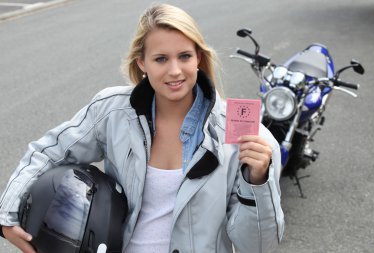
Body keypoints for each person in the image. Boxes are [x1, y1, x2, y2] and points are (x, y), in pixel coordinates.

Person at [0, 3, 284, 253]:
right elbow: (47, 152)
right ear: (142, 63)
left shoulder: (246, 137)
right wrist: (7, 217)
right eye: (161, 59)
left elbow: (257, 246)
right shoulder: (112, 111)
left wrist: (257, 181)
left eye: (184, 56)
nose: (174, 70)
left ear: (198, 58)